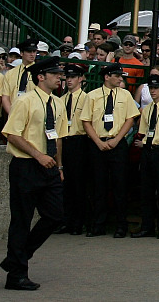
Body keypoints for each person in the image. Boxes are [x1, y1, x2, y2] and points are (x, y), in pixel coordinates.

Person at [0, 56, 66, 291]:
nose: (60, 77)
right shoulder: (25, 101)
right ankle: (16, 275)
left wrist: (59, 166)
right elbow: (12, 134)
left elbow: (57, 137)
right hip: (26, 166)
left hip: (49, 168)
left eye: (60, 74)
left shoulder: (57, 103)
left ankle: (15, 258)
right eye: (55, 74)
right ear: (41, 76)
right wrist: (38, 155)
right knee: (22, 220)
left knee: (55, 216)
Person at [80, 63, 138, 237]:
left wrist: (117, 139)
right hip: (98, 143)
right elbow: (86, 121)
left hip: (117, 144)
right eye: (117, 75)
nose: (120, 78)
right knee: (99, 185)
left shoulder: (125, 95)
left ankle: (121, 225)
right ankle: (98, 224)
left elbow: (130, 119)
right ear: (106, 77)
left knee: (120, 185)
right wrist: (98, 141)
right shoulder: (92, 96)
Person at [132, 74, 159, 239]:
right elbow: (142, 132)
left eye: (156, 88)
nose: (153, 91)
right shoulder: (147, 109)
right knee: (147, 190)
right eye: (151, 88)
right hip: (148, 149)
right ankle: (147, 226)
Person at [59, 63, 90, 235]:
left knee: (78, 183)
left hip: (79, 141)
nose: (69, 80)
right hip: (65, 140)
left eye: (72, 77)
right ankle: (66, 220)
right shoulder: (61, 100)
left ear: (80, 79)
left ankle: (78, 222)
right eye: (67, 77)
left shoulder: (85, 98)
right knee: (66, 184)